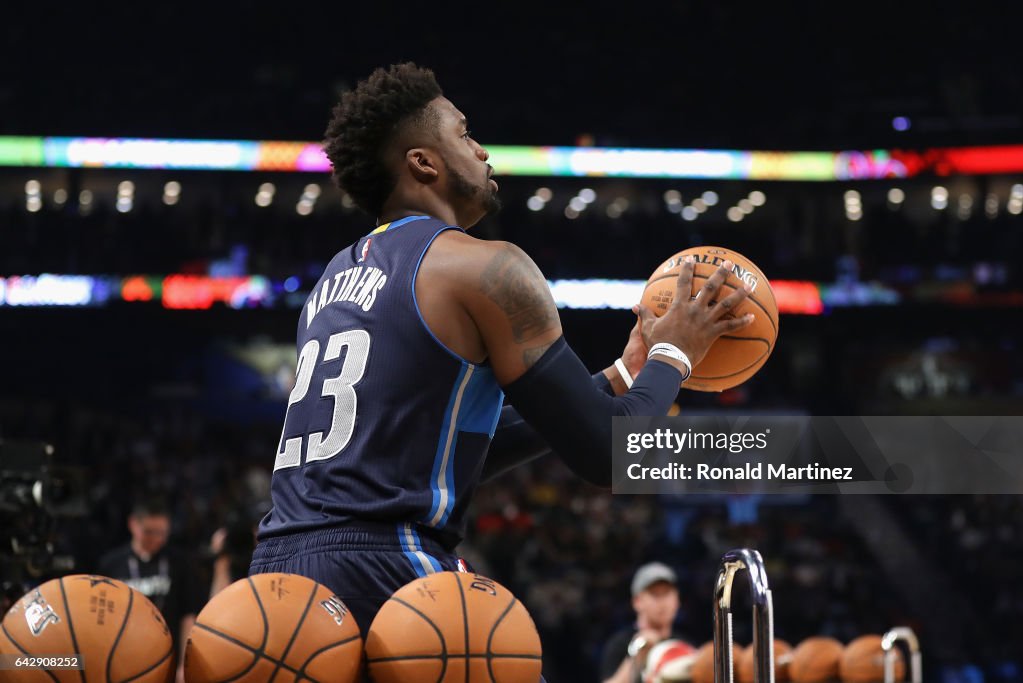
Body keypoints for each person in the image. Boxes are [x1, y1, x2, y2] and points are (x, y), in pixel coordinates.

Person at [249, 63, 753, 645]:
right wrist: (674, 353)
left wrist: (622, 375)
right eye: (463, 133)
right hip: (384, 565)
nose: (483, 151)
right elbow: (610, 455)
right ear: (423, 162)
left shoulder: (332, 281)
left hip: (278, 577)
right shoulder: (485, 267)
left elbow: (442, 454)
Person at [97, 499, 201, 682]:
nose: (157, 538)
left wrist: (185, 664)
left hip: (169, 657)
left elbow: (188, 616)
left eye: (162, 533)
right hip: (123, 659)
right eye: (149, 532)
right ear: (133, 524)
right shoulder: (111, 564)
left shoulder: (179, 562)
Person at [601, 562, 686, 683]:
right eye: (655, 594)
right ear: (637, 602)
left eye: (667, 593)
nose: (662, 602)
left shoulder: (683, 646)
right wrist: (639, 651)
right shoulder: (620, 644)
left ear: (677, 600)